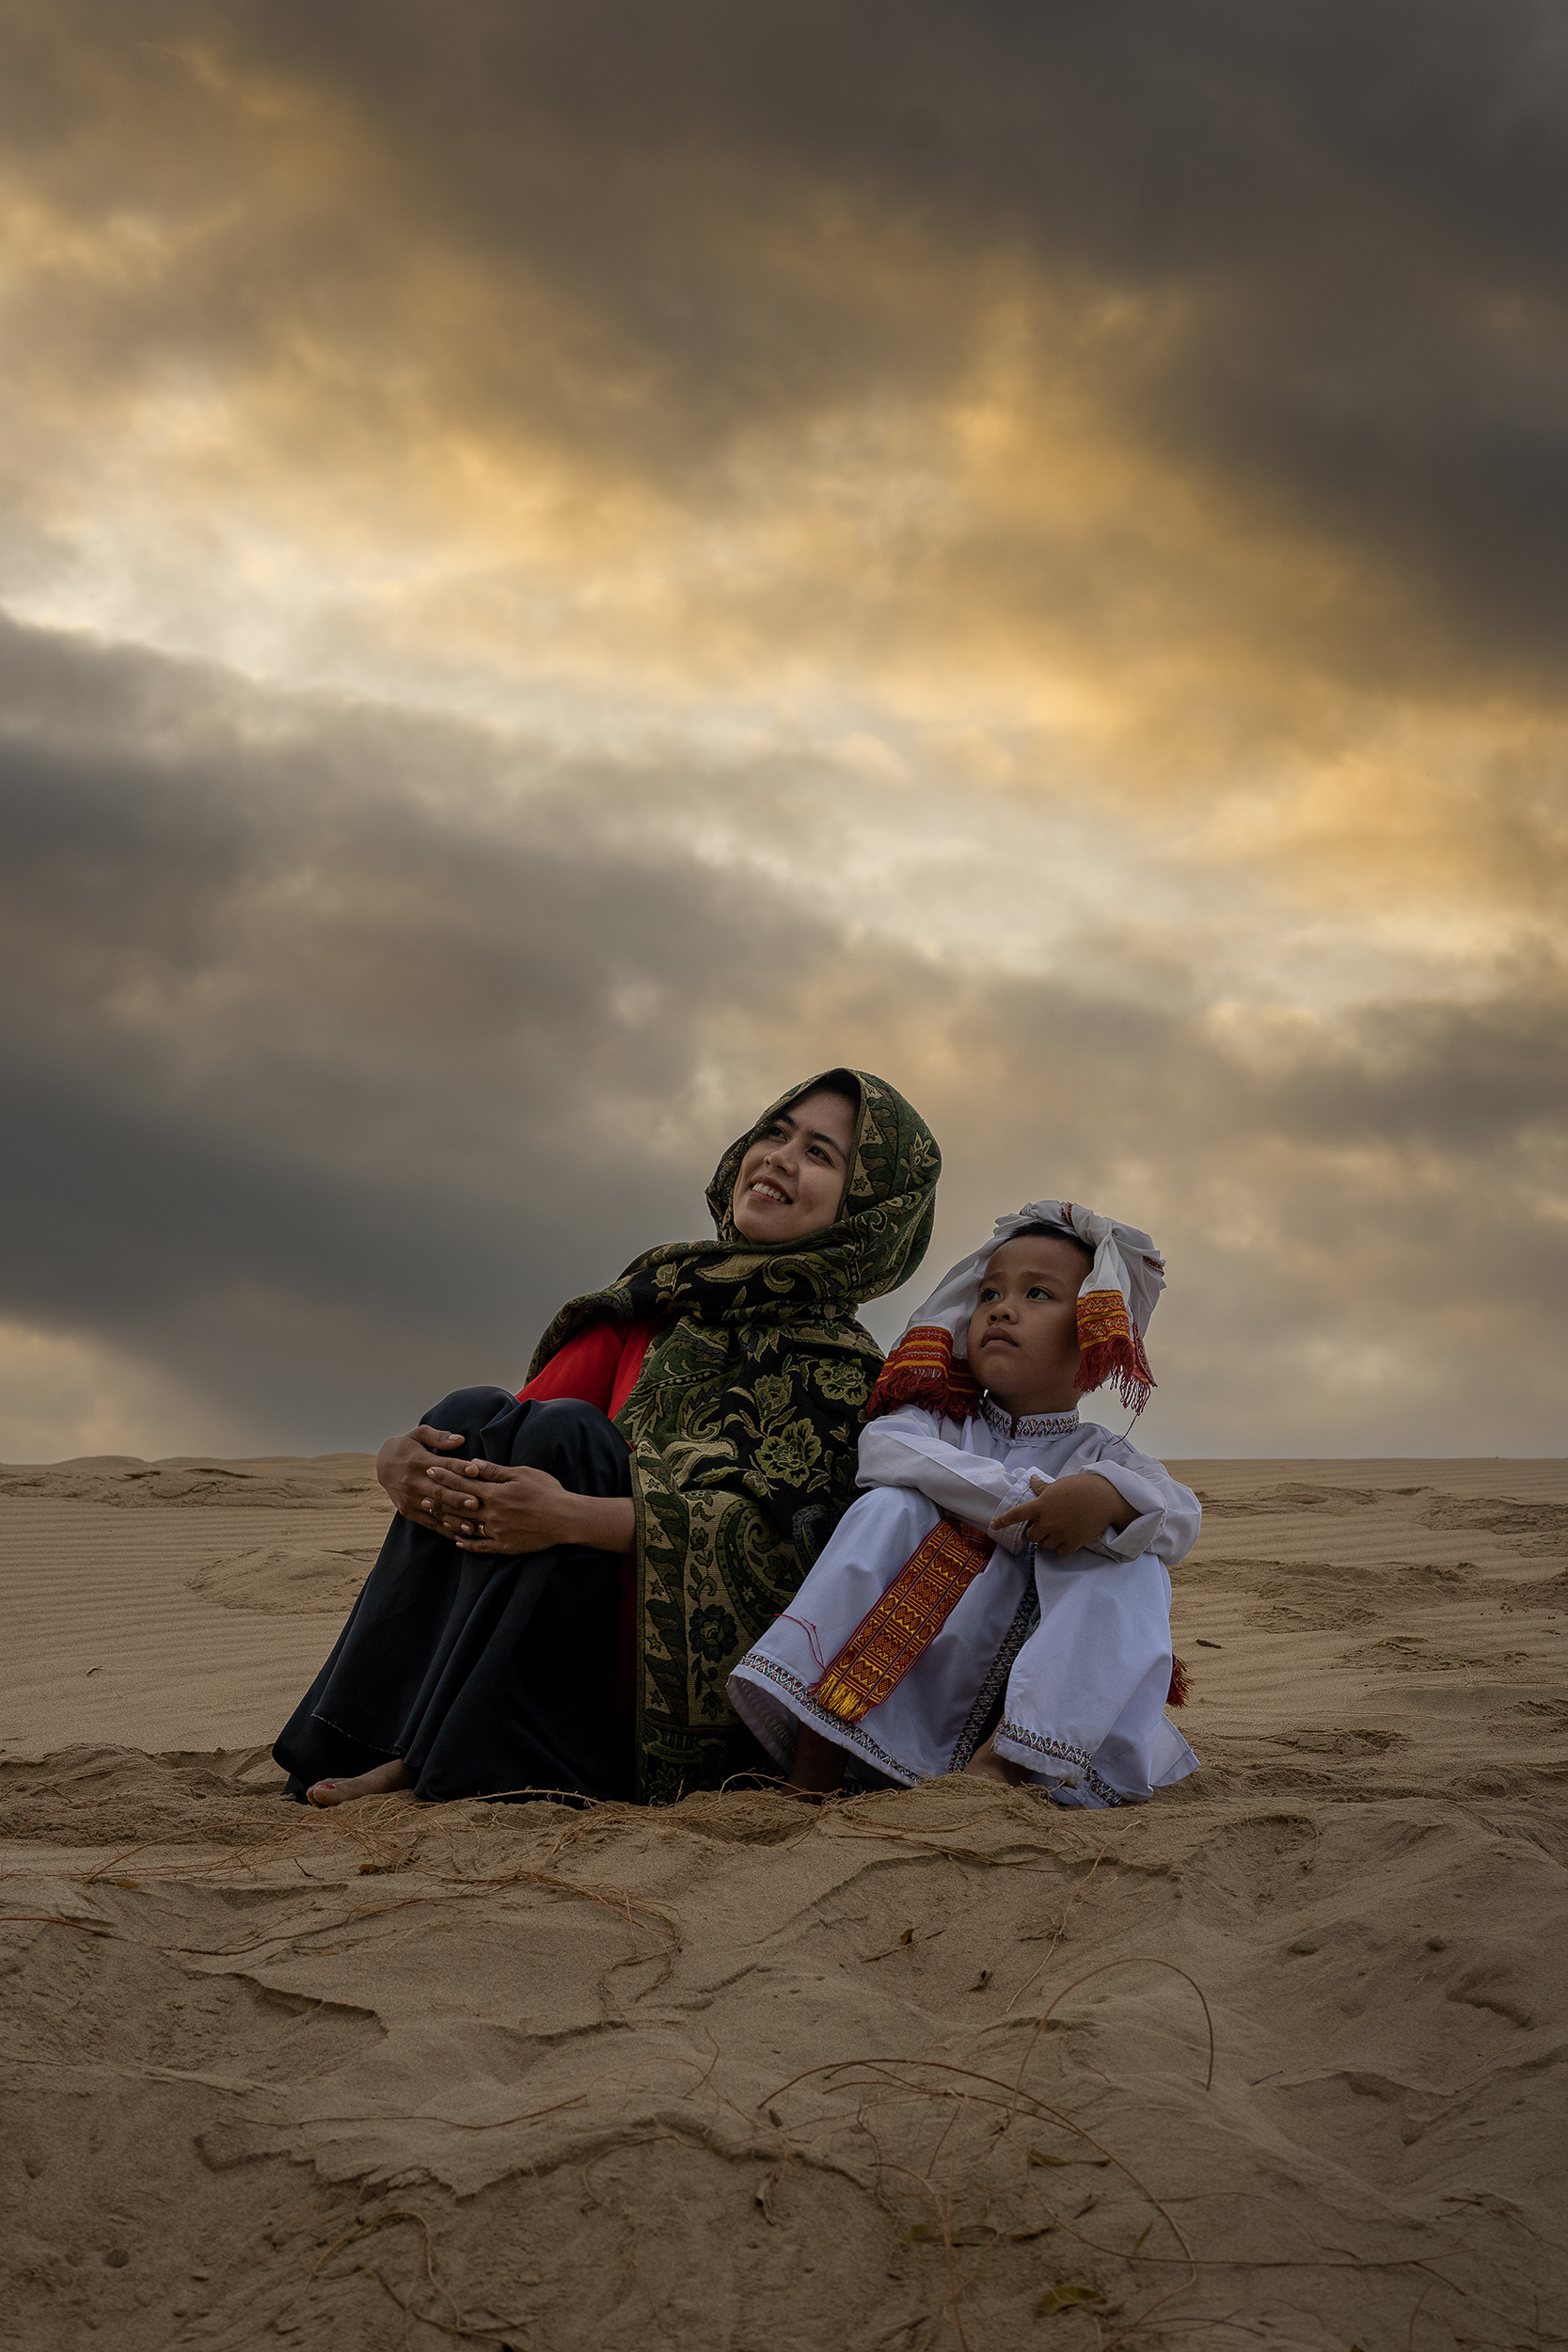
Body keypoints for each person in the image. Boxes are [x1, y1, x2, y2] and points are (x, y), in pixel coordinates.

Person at [272, 1069, 941, 1809]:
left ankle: (442, 1759)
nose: (780, 1158)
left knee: (569, 1438)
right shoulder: (662, 1300)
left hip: (670, 1670)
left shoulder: (844, 1375)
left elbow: (784, 1552)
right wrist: (401, 1461)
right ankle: (365, 1740)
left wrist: (571, 1518)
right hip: (557, 1603)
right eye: (775, 1133)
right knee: (469, 1416)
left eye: (819, 1154)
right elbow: (507, 1439)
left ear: (870, 1212)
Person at [727, 1200, 1200, 1808]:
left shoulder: (1103, 1455)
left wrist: (1105, 1498)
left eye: (1037, 1294)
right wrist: (1022, 1506)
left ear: (1090, 1333)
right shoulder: (939, 1423)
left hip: (1024, 1697)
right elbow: (886, 1450)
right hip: (912, 1668)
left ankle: (1010, 1761)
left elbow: (1179, 1518)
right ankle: (822, 1745)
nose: (1001, 1308)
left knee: (1131, 1561)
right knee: (891, 1507)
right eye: (989, 1294)